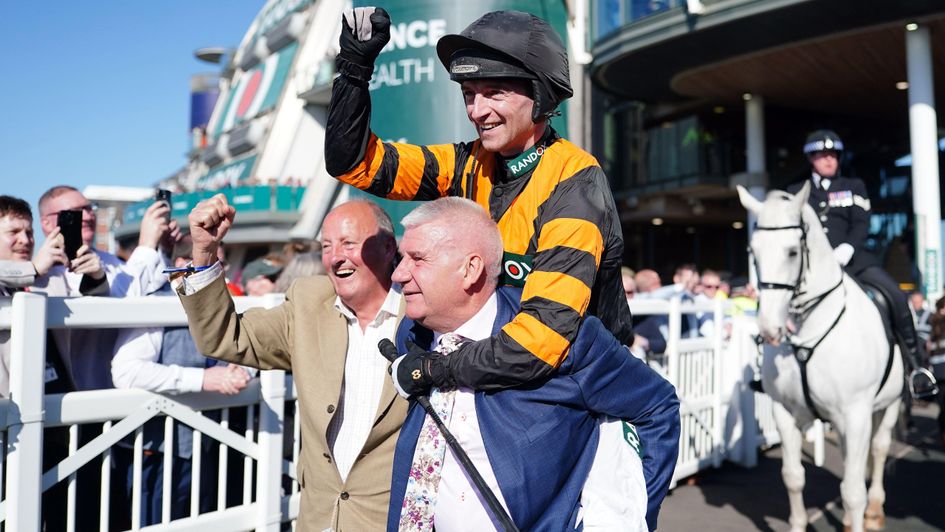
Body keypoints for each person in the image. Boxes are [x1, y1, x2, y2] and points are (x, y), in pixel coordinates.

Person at [326, 8, 633, 397]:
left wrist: (435, 369)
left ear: (541, 94)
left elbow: (541, 339)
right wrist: (354, 70)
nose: (477, 111)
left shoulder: (574, 182)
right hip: (495, 374)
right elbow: (353, 164)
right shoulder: (467, 161)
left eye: (495, 93)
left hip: (575, 389)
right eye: (469, 94)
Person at [387, 198, 679, 531]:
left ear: (470, 269)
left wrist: (630, 516)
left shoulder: (560, 336)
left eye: (417, 259)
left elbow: (657, 406)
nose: (398, 274)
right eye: (401, 258)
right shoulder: (412, 333)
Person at [174, 196, 408, 531]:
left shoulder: (422, 312)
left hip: (391, 520)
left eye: (348, 243)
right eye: (326, 246)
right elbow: (225, 337)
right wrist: (204, 251)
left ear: (387, 248)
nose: (336, 257)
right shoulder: (308, 303)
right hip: (318, 518)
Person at [111, 236, 251, 525]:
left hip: (207, 448)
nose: (221, 273)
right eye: (212, 263)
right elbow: (126, 371)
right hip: (158, 452)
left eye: (221, 265)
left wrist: (242, 371)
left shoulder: (223, 304)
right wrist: (202, 379)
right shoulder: (154, 304)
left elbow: (246, 350)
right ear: (181, 265)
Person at [787, 130, 937, 399]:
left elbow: (861, 223)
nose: (829, 160)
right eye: (822, 155)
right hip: (811, 269)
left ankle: (916, 368)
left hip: (854, 261)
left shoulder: (853, 186)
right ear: (811, 158)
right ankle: (773, 372)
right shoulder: (796, 191)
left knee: (896, 296)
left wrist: (845, 250)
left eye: (833, 155)